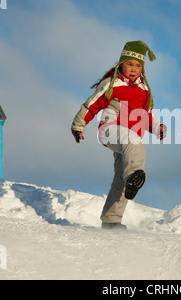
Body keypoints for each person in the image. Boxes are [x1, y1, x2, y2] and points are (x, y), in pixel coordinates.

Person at [71, 40, 167, 230]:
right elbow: (92, 104)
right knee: (134, 143)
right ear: (121, 63)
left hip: (128, 137)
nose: (133, 69)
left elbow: (147, 114)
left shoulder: (144, 89)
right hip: (110, 129)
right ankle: (135, 175)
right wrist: (78, 125)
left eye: (138, 65)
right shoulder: (112, 83)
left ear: (143, 68)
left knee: (121, 179)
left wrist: (158, 128)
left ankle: (111, 219)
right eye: (130, 64)